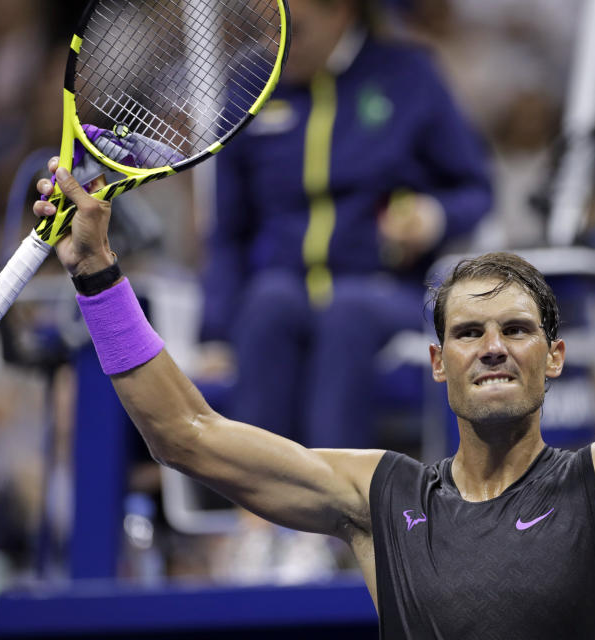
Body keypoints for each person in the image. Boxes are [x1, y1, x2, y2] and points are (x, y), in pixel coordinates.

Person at [34, 141, 595, 638]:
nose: (493, 348)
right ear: (439, 365)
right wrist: (101, 278)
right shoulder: (376, 496)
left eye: (516, 331)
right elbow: (186, 435)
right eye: (469, 333)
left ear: (555, 359)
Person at [199, 0, 492, 448]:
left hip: (386, 287)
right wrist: (216, 332)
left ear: (342, 13)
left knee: (347, 312)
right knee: (266, 304)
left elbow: (476, 190)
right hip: (281, 285)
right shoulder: (250, 86)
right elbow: (229, 231)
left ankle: (336, 506)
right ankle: (254, 508)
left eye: (298, 30)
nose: (281, 46)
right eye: (272, 30)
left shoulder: (409, 75)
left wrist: (431, 217)